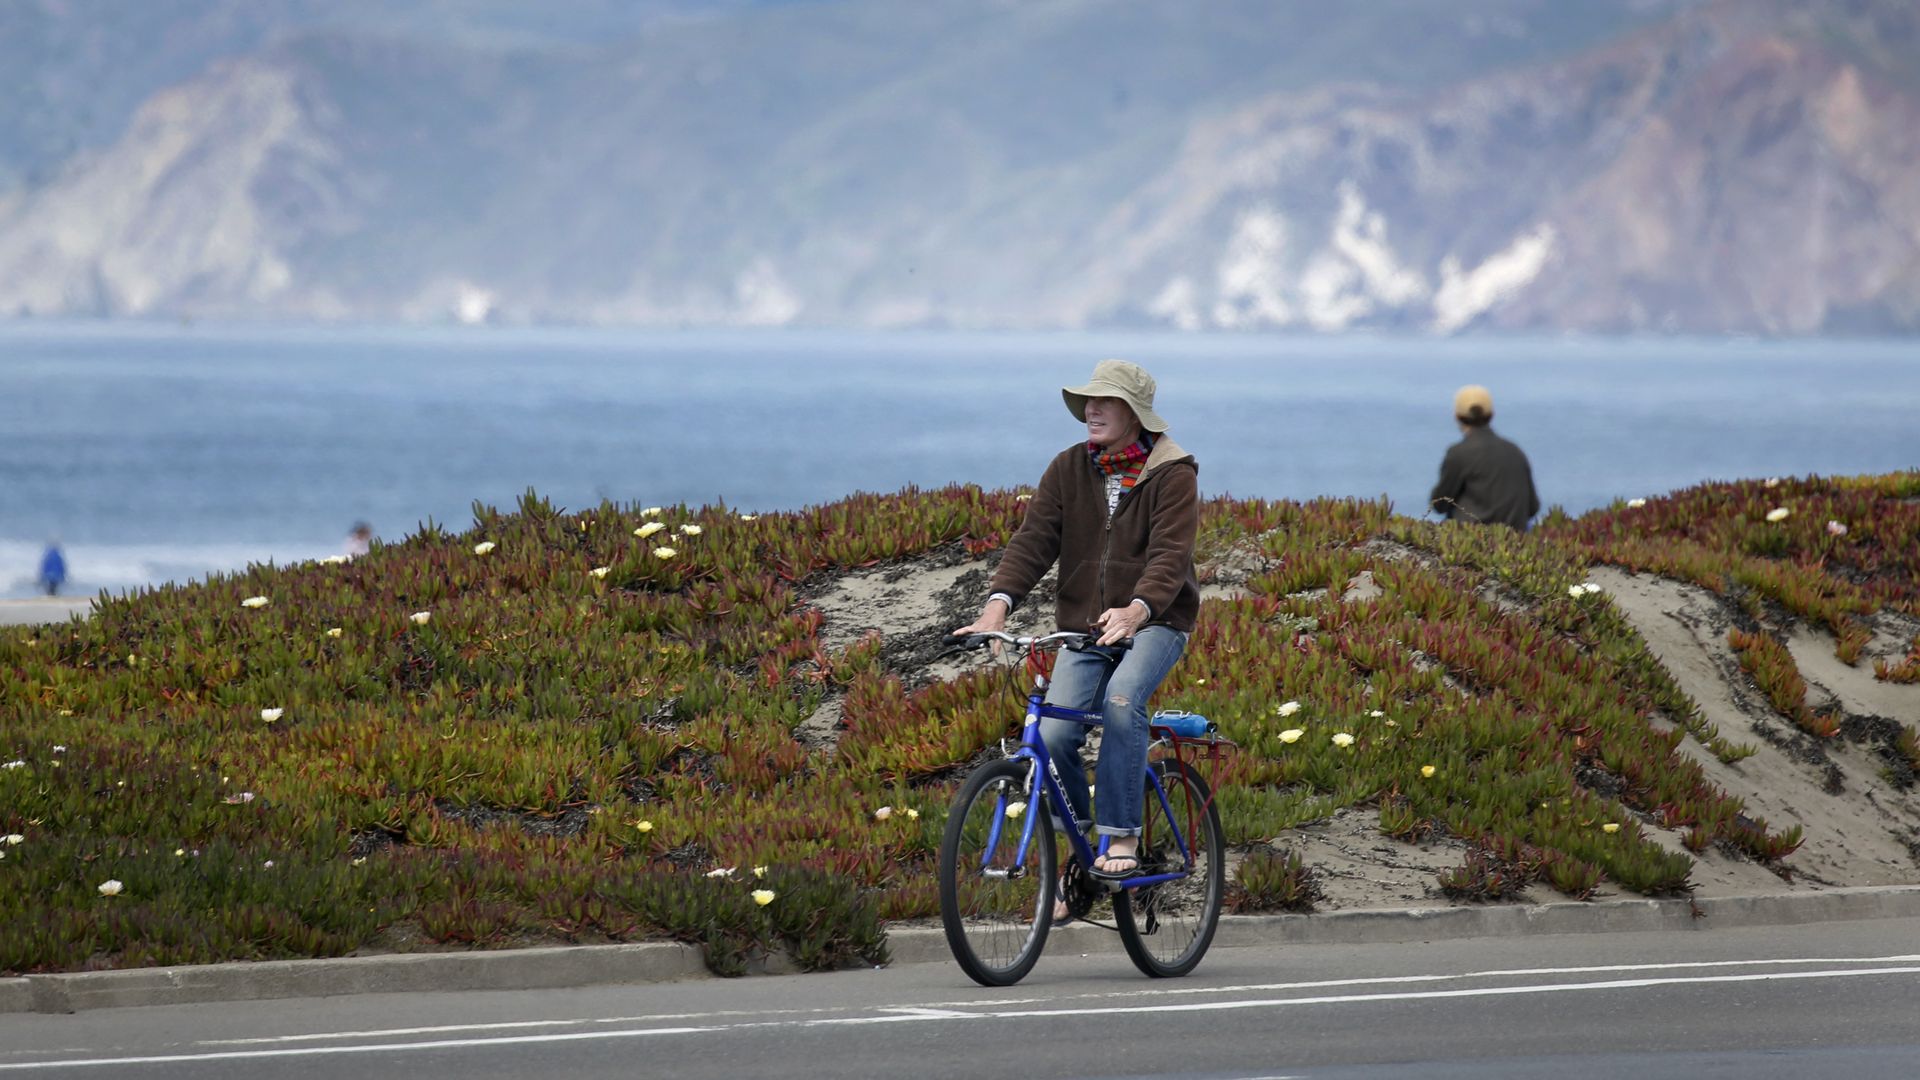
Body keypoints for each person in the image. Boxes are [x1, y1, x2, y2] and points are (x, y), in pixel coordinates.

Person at [952, 358, 1200, 881]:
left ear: (1134, 413)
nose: (1092, 408)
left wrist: (1137, 610)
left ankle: (1122, 834)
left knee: (1121, 700)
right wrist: (996, 605)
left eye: (1105, 400)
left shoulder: (1173, 474)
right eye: (1089, 400)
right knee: (1057, 732)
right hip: (1087, 625)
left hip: (1156, 621)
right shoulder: (1069, 467)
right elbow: (1034, 541)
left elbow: (1170, 557)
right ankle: (1081, 853)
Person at [1428, 384, 1540, 530]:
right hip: (1515, 539)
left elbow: (1439, 504)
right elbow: (1533, 507)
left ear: (1457, 416)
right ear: (1491, 414)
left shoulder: (1458, 453)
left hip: (1472, 539)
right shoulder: (1515, 451)